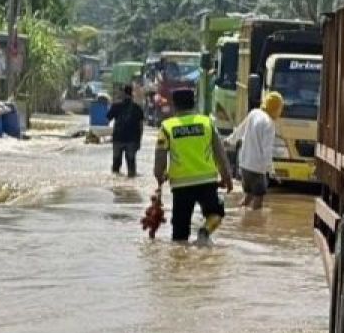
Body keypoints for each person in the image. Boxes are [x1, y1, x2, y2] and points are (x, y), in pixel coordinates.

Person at [153, 89, 234, 242]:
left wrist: (160, 177)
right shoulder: (207, 123)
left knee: (180, 234)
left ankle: (180, 260)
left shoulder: (166, 127)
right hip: (207, 182)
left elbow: (160, 158)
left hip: (181, 185)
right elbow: (220, 154)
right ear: (194, 103)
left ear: (175, 105)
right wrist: (227, 177)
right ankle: (205, 231)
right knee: (216, 213)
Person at [227, 91, 283, 210]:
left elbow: (240, 130)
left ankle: (239, 215)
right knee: (258, 200)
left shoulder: (254, 113)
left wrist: (229, 140)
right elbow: (267, 150)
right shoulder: (269, 124)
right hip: (257, 168)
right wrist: (271, 171)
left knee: (248, 196)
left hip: (244, 164)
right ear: (276, 108)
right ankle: (252, 223)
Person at [106, 85, 145, 177]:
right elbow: (141, 126)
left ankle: (115, 187)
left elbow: (107, 119)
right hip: (132, 140)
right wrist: (139, 141)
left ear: (123, 93)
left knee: (116, 166)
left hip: (118, 139)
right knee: (131, 167)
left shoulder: (116, 106)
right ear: (132, 94)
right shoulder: (137, 108)